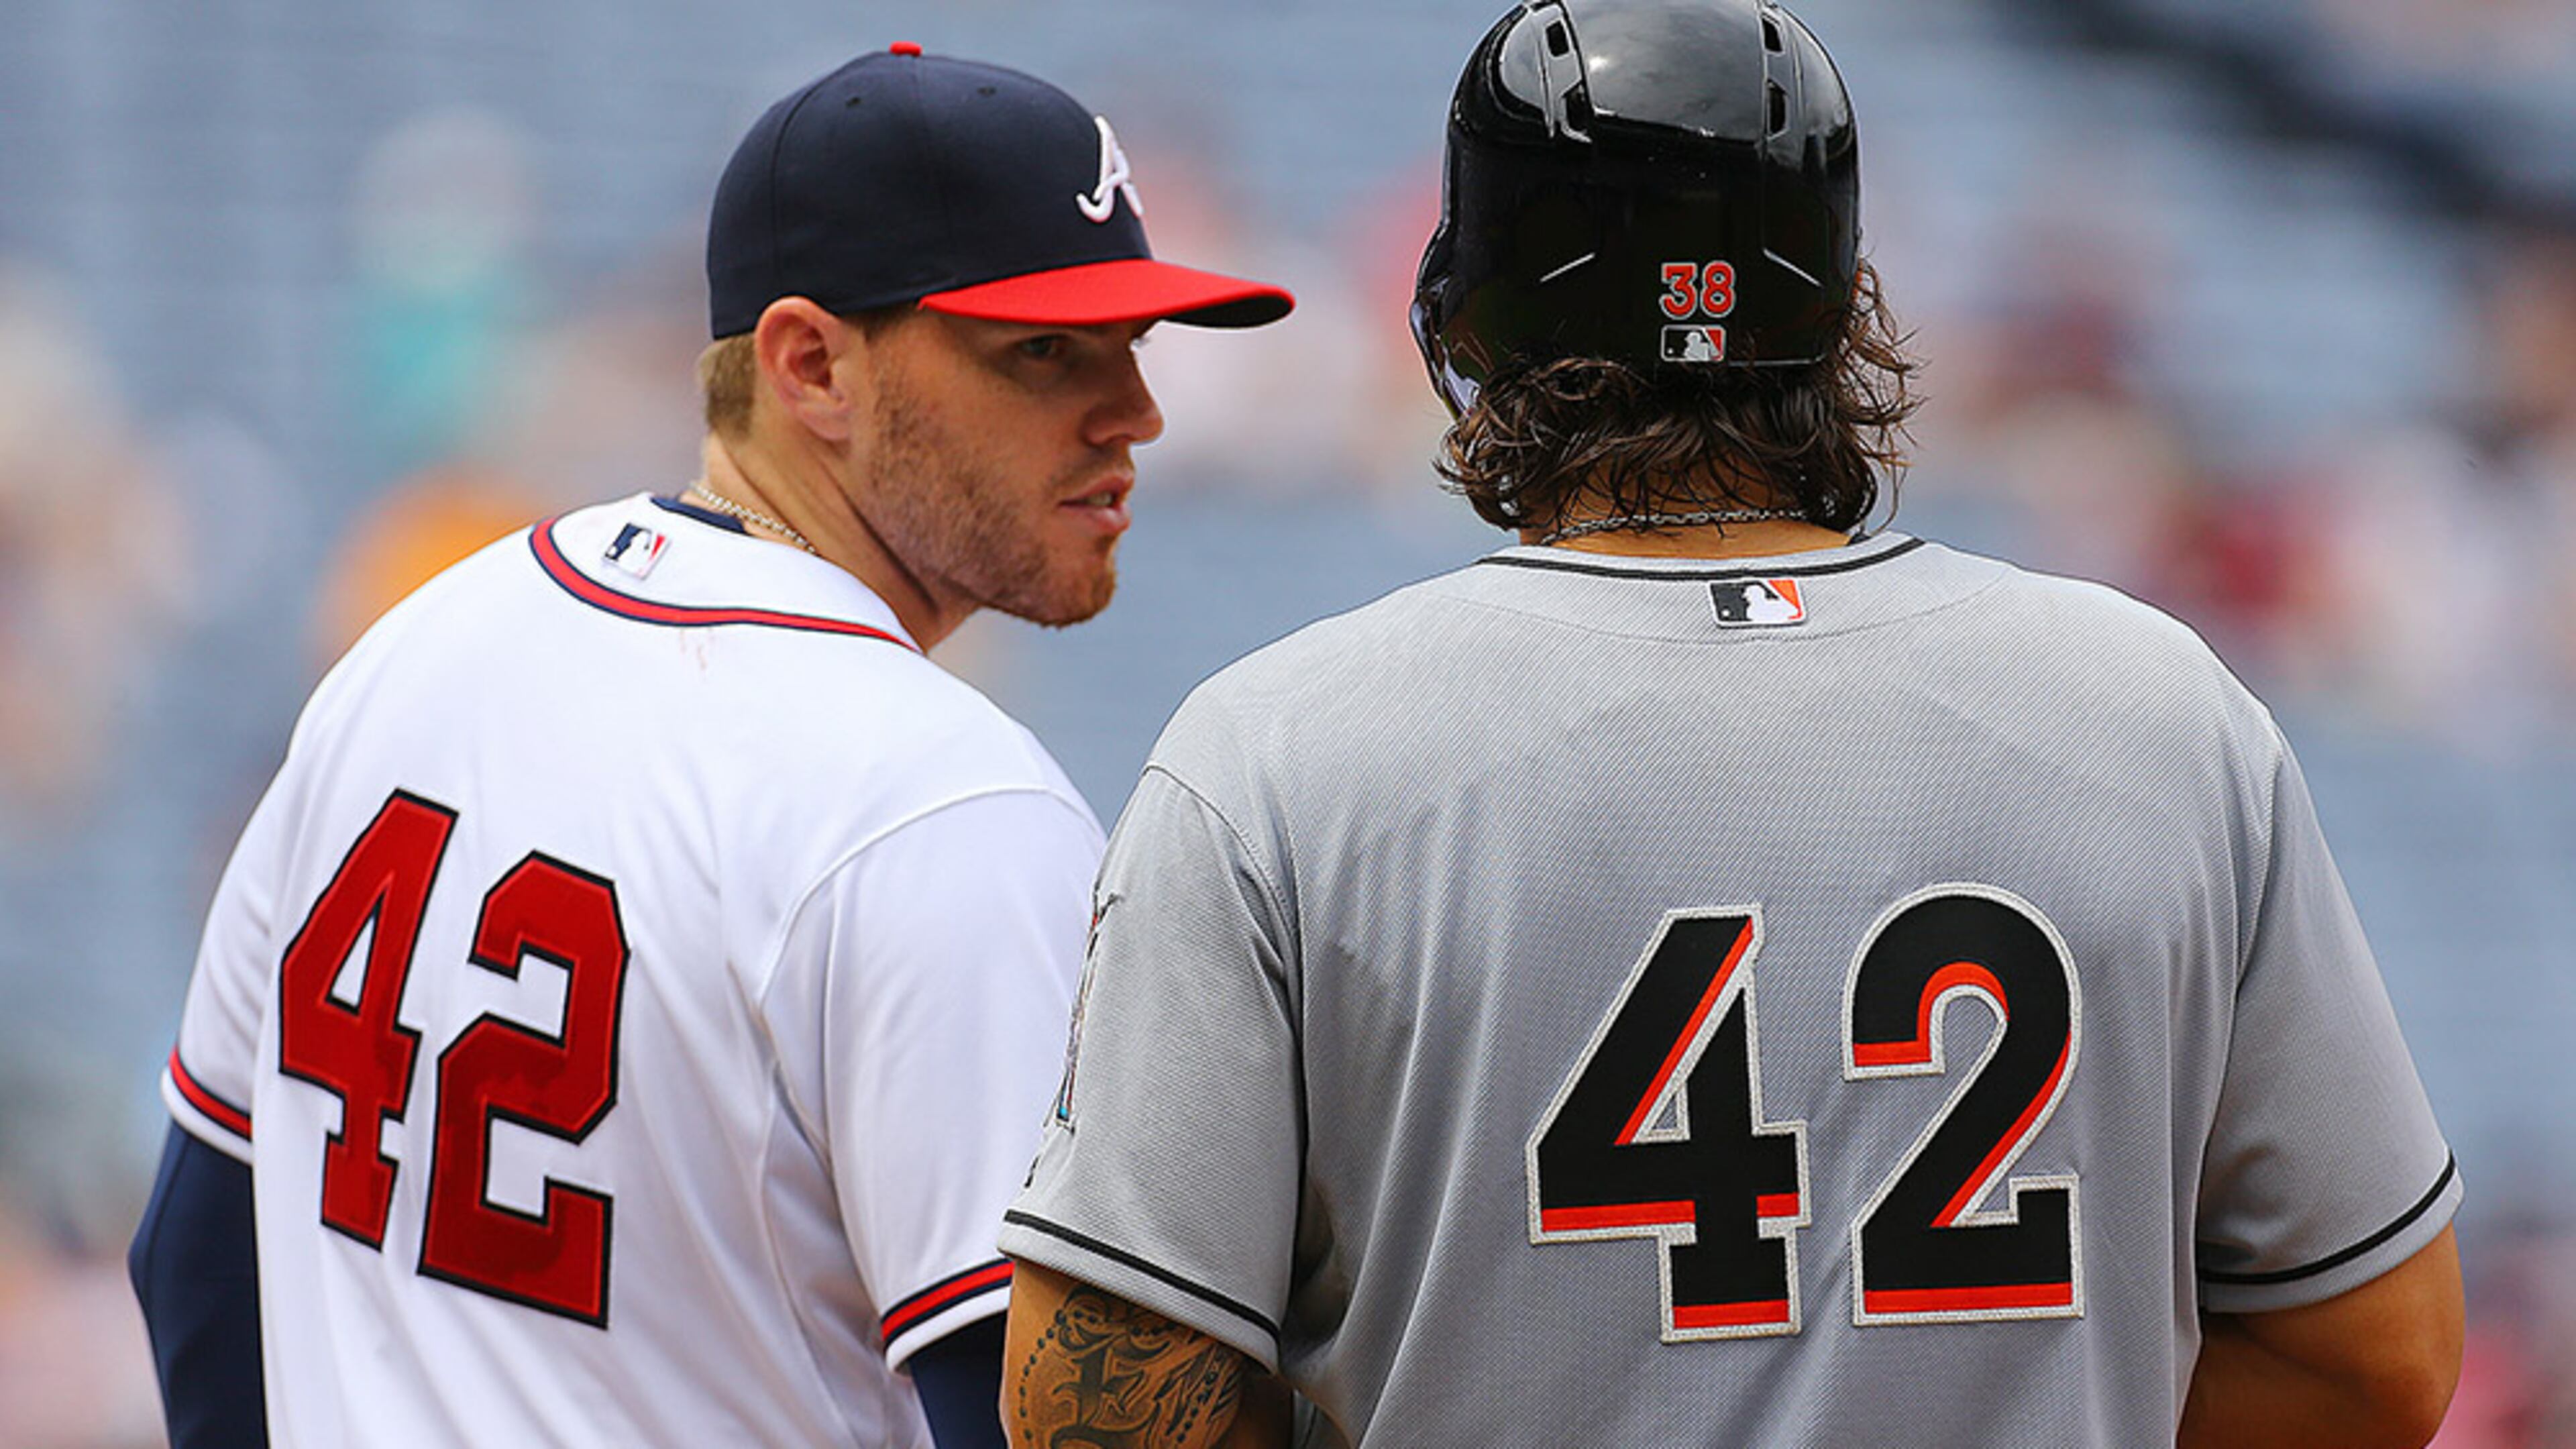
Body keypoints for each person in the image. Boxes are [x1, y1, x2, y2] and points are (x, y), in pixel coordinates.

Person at [995, 2, 2463, 1445]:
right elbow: (2379, 1360)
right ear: (1844, 311)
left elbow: (1095, 1407)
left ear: (1464, 321)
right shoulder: (2164, 716)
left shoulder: (1277, 757)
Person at [127, 43, 1290, 1449]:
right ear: (810, 365)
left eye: (1131, 345)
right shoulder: (941, 810)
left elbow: (196, 1258)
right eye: (1044, 351)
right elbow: (1053, 1424)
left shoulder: (413, 646)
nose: (1135, 413)